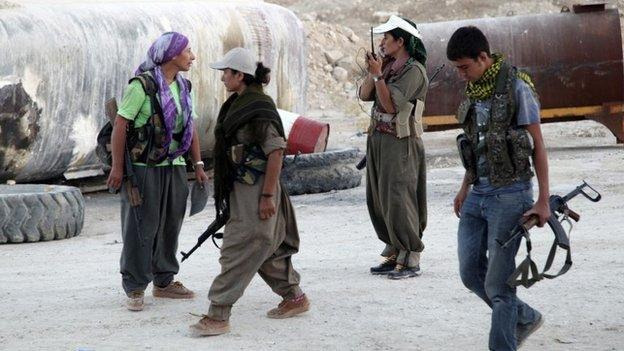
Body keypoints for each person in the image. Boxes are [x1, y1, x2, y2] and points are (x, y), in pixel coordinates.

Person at [189, 47, 309, 337]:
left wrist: (267, 196)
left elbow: (276, 152)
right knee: (263, 249)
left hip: (257, 191)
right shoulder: (237, 104)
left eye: (226, 74)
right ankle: (294, 298)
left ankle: (218, 314)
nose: (222, 79)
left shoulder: (259, 109)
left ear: (239, 75)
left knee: (239, 248)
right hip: (241, 190)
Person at [446, 26, 550, 350]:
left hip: (511, 194)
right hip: (479, 192)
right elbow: (478, 145)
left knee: (499, 285)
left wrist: (544, 200)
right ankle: (526, 316)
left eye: (465, 67)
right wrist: (465, 186)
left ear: (483, 57)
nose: (462, 75)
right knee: (470, 272)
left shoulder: (518, 87)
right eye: (457, 69)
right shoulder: (475, 90)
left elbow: (538, 145)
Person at [106, 32, 208, 312]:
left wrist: (197, 164)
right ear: (172, 55)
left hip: (174, 166)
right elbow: (120, 125)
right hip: (144, 169)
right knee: (141, 226)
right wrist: (118, 167)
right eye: (188, 51)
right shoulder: (141, 86)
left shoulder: (184, 87)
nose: (193, 56)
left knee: (170, 225)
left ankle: (164, 281)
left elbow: (191, 127)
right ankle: (136, 287)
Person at [359, 15, 429, 279]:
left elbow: (390, 106)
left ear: (401, 41)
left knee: (399, 198)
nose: (382, 42)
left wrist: (379, 77)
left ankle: (410, 256)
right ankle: (393, 250)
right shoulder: (388, 66)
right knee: (379, 197)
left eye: (387, 38)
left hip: (400, 142)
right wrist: (373, 72)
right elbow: (365, 96)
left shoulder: (414, 71)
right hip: (378, 138)